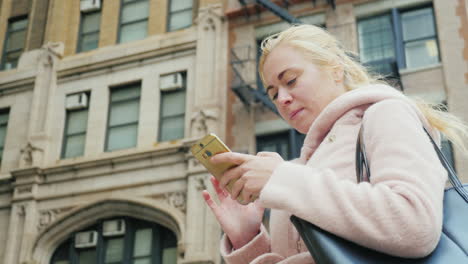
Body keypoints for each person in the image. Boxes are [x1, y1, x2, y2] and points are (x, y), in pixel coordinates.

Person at [202, 25, 468, 264]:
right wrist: (247, 239)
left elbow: (414, 225)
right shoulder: (298, 168)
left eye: (291, 80)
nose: (282, 98)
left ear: (335, 69)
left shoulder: (385, 114)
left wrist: (283, 178)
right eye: (273, 93)